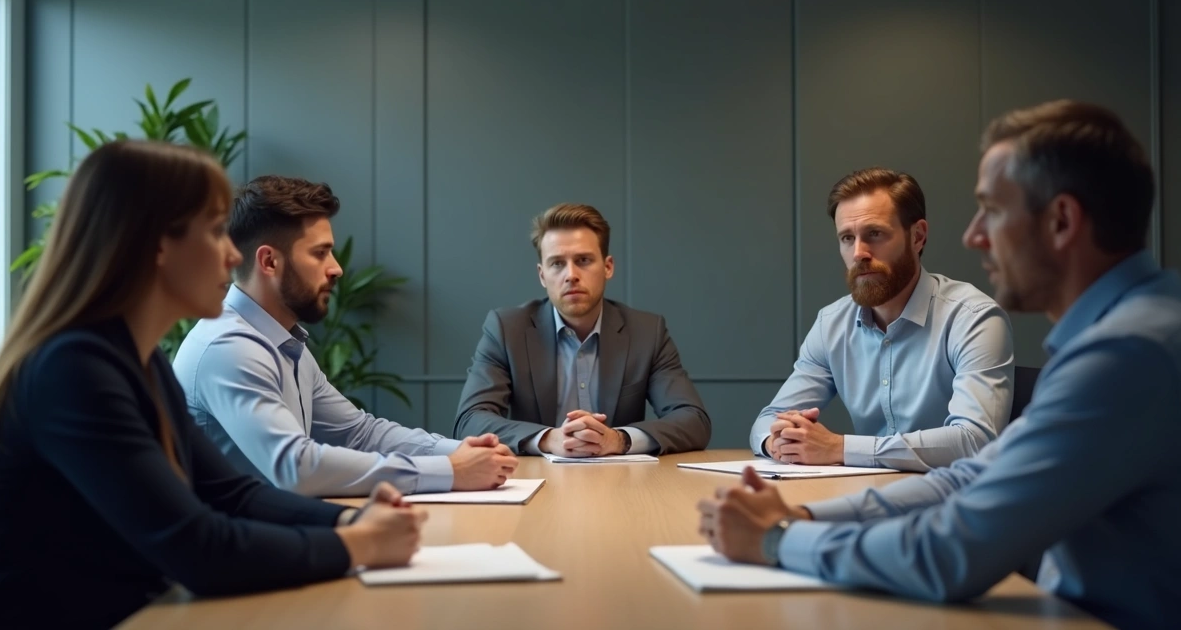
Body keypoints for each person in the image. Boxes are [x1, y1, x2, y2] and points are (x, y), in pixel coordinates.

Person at [698, 100, 1180, 630]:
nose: (974, 236)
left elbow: (949, 553)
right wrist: (803, 514)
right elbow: (973, 476)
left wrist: (777, 539)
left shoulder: (1128, 354)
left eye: (992, 210)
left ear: (1062, 220)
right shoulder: (1128, 331)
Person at [0, 141, 426, 628]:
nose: (232, 256)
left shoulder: (139, 361)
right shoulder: (74, 370)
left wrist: (350, 520)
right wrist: (357, 543)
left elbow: (232, 495)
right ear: (157, 244)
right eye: (214, 232)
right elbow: (197, 549)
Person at [174, 176, 517, 497]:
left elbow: (358, 433)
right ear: (269, 262)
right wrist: (448, 471)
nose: (336, 267)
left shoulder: (282, 341)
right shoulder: (229, 347)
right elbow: (296, 467)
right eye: (319, 253)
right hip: (233, 552)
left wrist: (462, 452)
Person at [749, 168, 1014, 471]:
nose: (859, 252)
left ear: (918, 236)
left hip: (954, 503)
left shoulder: (973, 318)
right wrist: (779, 441)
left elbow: (975, 440)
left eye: (874, 234)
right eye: (847, 238)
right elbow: (768, 421)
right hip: (872, 496)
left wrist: (840, 448)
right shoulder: (832, 324)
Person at [454, 203, 711, 456]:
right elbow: (470, 420)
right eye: (557, 263)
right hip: (537, 480)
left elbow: (693, 420)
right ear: (542, 276)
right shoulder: (507, 329)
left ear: (608, 267)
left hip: (620, 483)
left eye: (584, 260)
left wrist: (618, 440)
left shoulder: (647, 332)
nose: (571, 275)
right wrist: (548, 439)